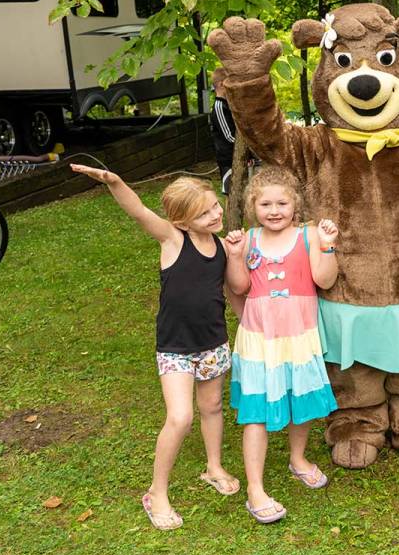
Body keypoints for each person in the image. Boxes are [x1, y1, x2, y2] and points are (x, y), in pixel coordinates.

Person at [69, 165, 241, 530]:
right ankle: (156, 491)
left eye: (214, 206)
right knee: (181, 417)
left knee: (211, 407)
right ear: (181, 219)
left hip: (213, 342)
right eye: (204, 213)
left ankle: (213, 466)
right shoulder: (173, 239)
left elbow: (231, 291)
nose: (215, 215)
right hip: (176, 347)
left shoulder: (224, 247)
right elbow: (139, 211)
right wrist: (116, 181)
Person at [225, 166, 339, 524]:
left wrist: (327, 244)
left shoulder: (308, 237)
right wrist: (234, 256)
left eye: (282, 203)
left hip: (299, 335)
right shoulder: (249, 239)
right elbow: (239, 286)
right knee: (256, 411)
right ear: (252, 206)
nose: (274, 211)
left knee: (299, 400)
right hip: (260, 340)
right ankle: (255, 488)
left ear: (296, 205)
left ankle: (298, 458)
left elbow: (324, 278)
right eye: (265, 204)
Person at [210, 68, 238, 194]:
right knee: (230, 192)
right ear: (222, 84)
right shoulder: (219, 106)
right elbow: (229, 136)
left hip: (236, 157)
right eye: (231, 82)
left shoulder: (229, 104)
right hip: (228, 159)